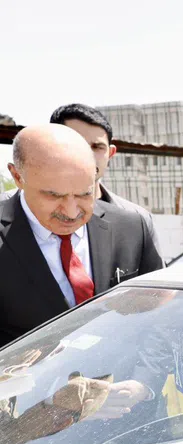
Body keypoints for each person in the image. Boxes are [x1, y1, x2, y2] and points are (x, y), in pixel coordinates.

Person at [1, 124, 163, 347]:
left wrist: (142, 381)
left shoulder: (132, 228)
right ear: (17, 176)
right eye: (53, 195)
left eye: (84, 194)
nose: (71, 212)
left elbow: (159, 321)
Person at [50, 103, 156, 243]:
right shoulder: (16, 209)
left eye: (97, 147)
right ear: (51, 147)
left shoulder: (136, 221)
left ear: (110, 153)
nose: (87, 155)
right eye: (76, 144)